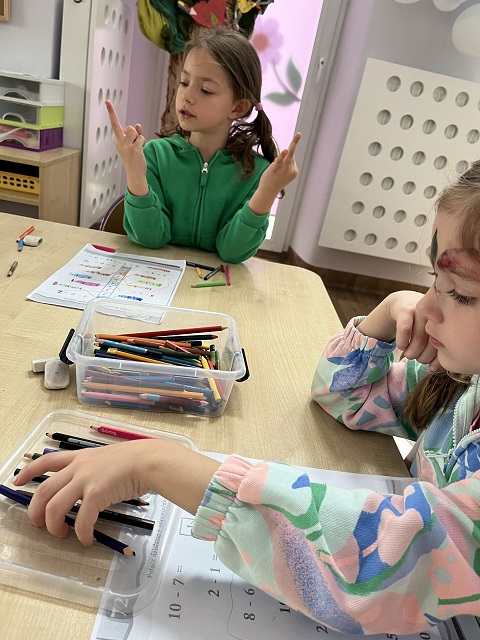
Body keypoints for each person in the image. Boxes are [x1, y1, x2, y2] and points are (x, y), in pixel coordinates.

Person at [13, 163, 480, 634]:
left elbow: (372, 566)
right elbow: (342, 395)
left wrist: (155, 464)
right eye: (433, 279)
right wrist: (385, 313)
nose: (426, 305)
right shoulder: (461, 383)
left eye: (459, 293)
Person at [106, 27, 301, 264]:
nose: (186, 96)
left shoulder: (256, 173)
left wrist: (266, 193)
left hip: (213, 284)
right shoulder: (155, 156)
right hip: (155, 278)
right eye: (184, 82)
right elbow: (150, 238)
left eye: (206, 90)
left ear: (238, 107)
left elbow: (232, 252)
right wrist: (135, 176)